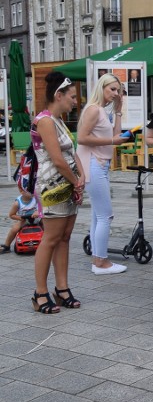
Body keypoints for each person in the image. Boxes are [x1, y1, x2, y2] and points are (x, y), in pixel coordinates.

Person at [31, 72, 85, 313]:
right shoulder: (44, 121)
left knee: (64, 237)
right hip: (53, 187)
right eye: (72, 97)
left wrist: (81, 178)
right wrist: (76, 182)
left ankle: (62, 289)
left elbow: (71, 154)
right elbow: (56, 159)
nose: (75, 101)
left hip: (68, 185)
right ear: (58, 95)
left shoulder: (60, 120)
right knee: (51, 239)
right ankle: (40, 293)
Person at [76, 73, 128, 275]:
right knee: (105, 216)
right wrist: (114, 141)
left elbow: (115, 135)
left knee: (98, 216)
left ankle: (98, 260)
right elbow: (81, 138)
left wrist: (119, 112)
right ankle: (101, 262)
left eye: (117, 90)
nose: (115, 93)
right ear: (102, 87)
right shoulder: (93, 110)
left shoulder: (101, 111)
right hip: (93, 164)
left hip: (99, 164)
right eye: (112, 89)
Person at [2, 186, 38, 254]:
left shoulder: (36, 199)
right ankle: (7, 246)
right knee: (15, 229)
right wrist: (20, 218)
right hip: (24, 220)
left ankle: (50, 243)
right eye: (30, 191)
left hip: (37, 218)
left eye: (33, 190)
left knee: (47, 225)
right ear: (22, 191)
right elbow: (11, 215)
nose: (32, 192)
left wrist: (38, 212)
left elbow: (43, 208)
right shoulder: (17, 203)